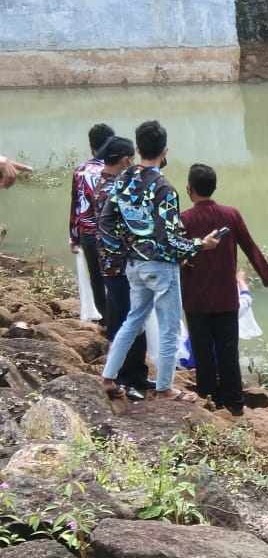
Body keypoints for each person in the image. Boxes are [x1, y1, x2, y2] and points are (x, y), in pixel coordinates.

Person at [97, 120, 220, 402]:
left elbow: (105, 220)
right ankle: (165, 388)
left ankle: (108, 377)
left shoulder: (124, 178)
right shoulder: (164, 188)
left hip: (134, 265)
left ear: (137, 148)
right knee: (169, 326)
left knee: (133, 319)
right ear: (165, 150)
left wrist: (121, 250)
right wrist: (202, 244)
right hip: (161, 267)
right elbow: (171, 240)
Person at [180, 163, 268, 415]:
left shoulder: (184, 218)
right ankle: (235, 403)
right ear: (214, 187)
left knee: (203, 350)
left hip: (195, 299)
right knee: (228, 349)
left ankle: (209, 400)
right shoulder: (231, 214)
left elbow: (176, 255)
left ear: (189, 189)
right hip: (226, 297)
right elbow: (250, 247)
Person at [91, 135, 150, 400]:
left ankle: (136, 373)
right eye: (132, 158)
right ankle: (127, 379)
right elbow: (122, 231)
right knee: (131, 320)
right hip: (121, 266)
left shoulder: (105, 183)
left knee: (128, 318)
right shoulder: (114, 189)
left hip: (115, 265)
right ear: (126, 158)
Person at [69, 123, 115, 319]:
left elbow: (75, 207)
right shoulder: (114, 172)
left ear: (91, 146)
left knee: (96, 278)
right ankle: (118, 320)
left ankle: (105, 319)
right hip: (110, 234)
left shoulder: (80, 172)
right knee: (114, 278)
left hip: (87, 234)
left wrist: (74, 237)